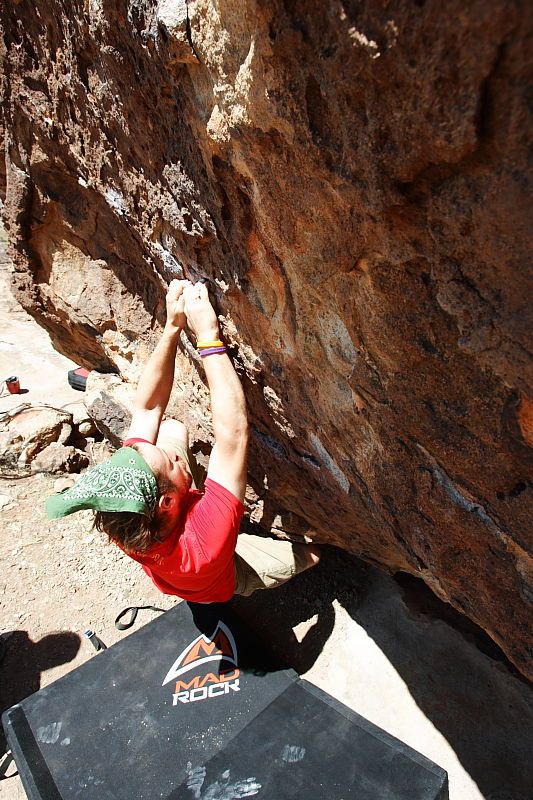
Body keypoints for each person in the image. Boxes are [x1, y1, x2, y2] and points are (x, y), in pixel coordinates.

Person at [46, 280, 320, 602]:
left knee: (172, 430)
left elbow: (148, 409)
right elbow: (232, 436)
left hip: (175, 556)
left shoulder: (120, 514)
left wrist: (172, 327)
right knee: (313, 555)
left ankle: (209, 494)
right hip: (218, 576)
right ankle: (245, 551)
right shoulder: (204, 545)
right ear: (167, 502)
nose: (173, 456)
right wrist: (208, 337)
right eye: (171, 461)